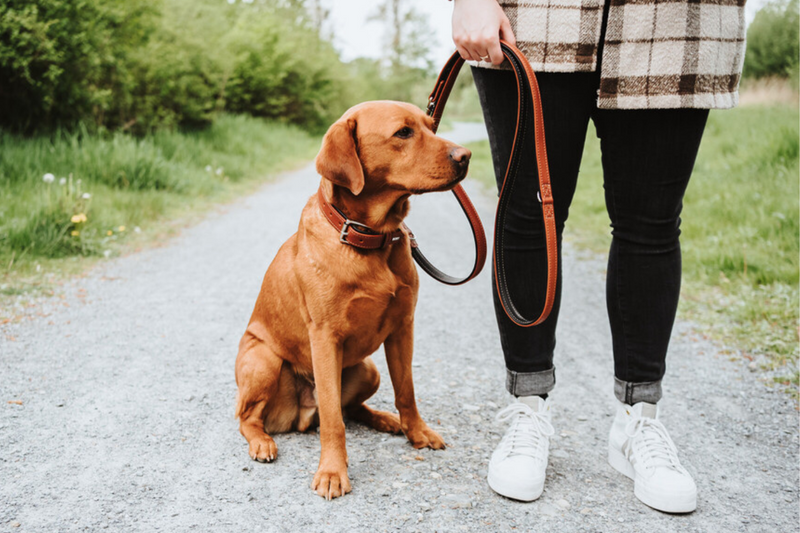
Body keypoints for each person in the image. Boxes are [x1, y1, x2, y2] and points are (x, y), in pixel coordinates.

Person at [450, 0, 746, 513]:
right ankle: (527, 408)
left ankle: (639, 422)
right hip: (536, 16)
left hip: (678, 20)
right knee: (529, 212)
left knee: (650, 224)